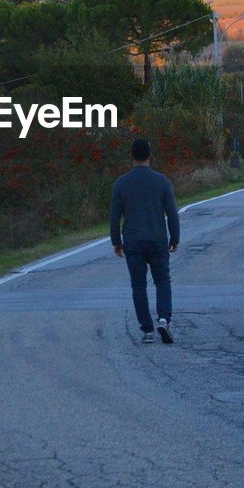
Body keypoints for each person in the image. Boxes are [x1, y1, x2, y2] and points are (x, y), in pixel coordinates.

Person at [109, 138, 180, 344]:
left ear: (132, 156)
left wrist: (116, 241)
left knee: (138, 285)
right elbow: (171, 212)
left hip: (133, 240)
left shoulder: (121, 183)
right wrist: (174, 237)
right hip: (157, 239)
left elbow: (115, 216)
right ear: (150, 155)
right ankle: (164, 319)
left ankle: (147, 329)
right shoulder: (162, 181)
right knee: (162, 280)